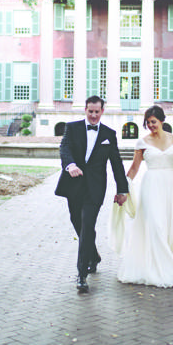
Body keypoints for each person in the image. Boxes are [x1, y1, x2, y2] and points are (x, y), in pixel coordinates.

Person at [117, 105, 173, 287]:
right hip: (151, 185)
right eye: (147, 123)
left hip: (170, 185)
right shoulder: (142, 142)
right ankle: (159, 268)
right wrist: (122, 188)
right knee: (155, 224)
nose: (150, 126)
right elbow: (134, 168)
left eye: (153, 122)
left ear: (162, 121)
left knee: (169, 223)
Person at [55, 96, 129, 293]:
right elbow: (65, 149)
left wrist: (122, 190)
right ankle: (94, 255)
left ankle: (81, 275)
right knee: (77, 223)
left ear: (102, 111)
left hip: (95, 189)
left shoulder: (109, 134)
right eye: (91, 111)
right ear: (85, 110)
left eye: (97, 112)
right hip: (74, 185)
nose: (94, 115)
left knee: (87, 225)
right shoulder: (72, 128)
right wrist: (70, 165)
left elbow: (116, 164)